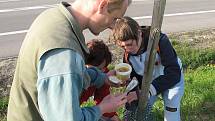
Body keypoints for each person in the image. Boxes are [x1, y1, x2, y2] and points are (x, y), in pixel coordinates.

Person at [7, 0, 131, 121]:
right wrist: (102, 108)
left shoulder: (53, 16)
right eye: (114, 18)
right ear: (103, 5)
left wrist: (102, 77)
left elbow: (71, 74)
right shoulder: (65, 54)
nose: (112, 26)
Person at [111, 16, 184, 121]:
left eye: (130, 44)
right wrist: (130, 89)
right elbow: (134, 79)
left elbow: (174, 74)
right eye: (123, 47)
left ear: (139, 33)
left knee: (171, 110)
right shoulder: (128, 56)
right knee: (139, 109)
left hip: (171, 80)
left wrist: (146, 92)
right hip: (148, 82)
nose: (128, 49)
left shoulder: (159, 41)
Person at [81, 39, 120, 121]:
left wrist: (111, 116)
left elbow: (103, 96)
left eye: (103, 69)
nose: (100, 73)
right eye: (96, 70)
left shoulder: (103, 74)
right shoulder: (75, 78)